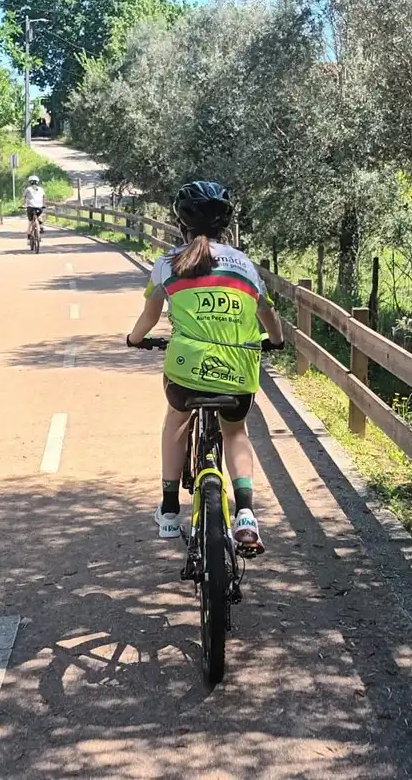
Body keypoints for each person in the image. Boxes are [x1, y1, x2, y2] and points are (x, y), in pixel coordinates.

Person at [125, 181, 285, 555]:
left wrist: (134, 340)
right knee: (236, 433)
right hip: (239, 367)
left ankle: (168, 509)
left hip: (186, 370)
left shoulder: (168, 264)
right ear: (225, 226)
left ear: (181, 222)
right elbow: (268, 314)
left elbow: (148, 318)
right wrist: (275, 341)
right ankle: (245, 512)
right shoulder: (244, 264)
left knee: (176, 422)